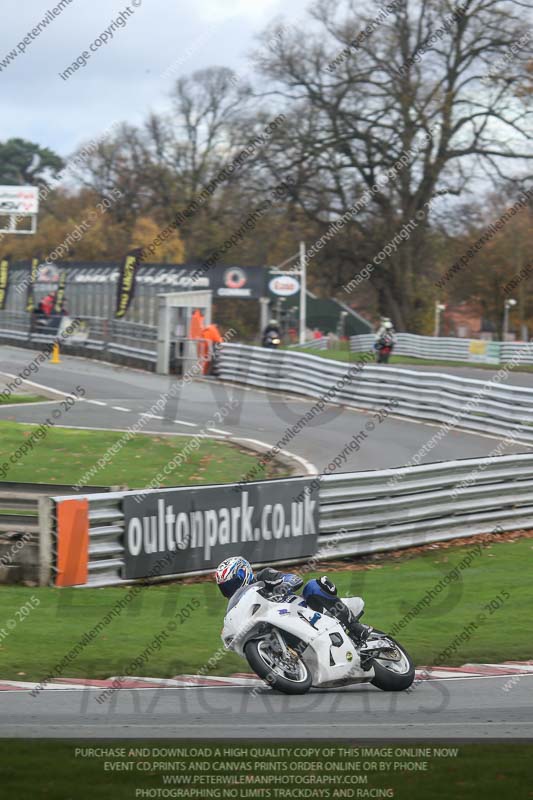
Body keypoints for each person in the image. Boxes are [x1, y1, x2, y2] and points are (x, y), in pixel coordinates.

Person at [215, 556, 371, 646]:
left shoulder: (264, 575)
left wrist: (281, 587)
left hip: (306, 611)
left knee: (312, 586)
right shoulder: (241, 605)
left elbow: (294, 578)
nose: (230, 590)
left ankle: (355, 627)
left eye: (232, 584)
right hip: (283, 627)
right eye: (226, 588)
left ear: (244, 573)